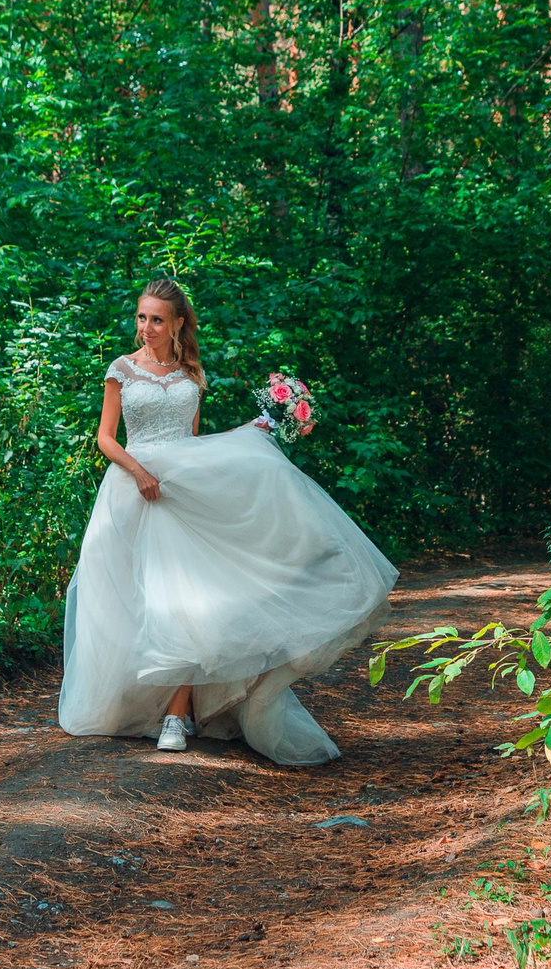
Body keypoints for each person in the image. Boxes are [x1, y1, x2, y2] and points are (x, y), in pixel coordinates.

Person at [58, 279, 398, 764]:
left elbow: (193, 444)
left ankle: (177, 713)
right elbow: (106, 439)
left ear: (177, 323)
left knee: (189, 604)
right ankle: (136, 704)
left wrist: (250, 433)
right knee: (131, 605)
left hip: (181, 492)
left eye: (156, 319)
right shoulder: (121, 369)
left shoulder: (192, 374)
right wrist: (139, 473)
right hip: (132, 489)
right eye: (141, 317)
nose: (146, 328)